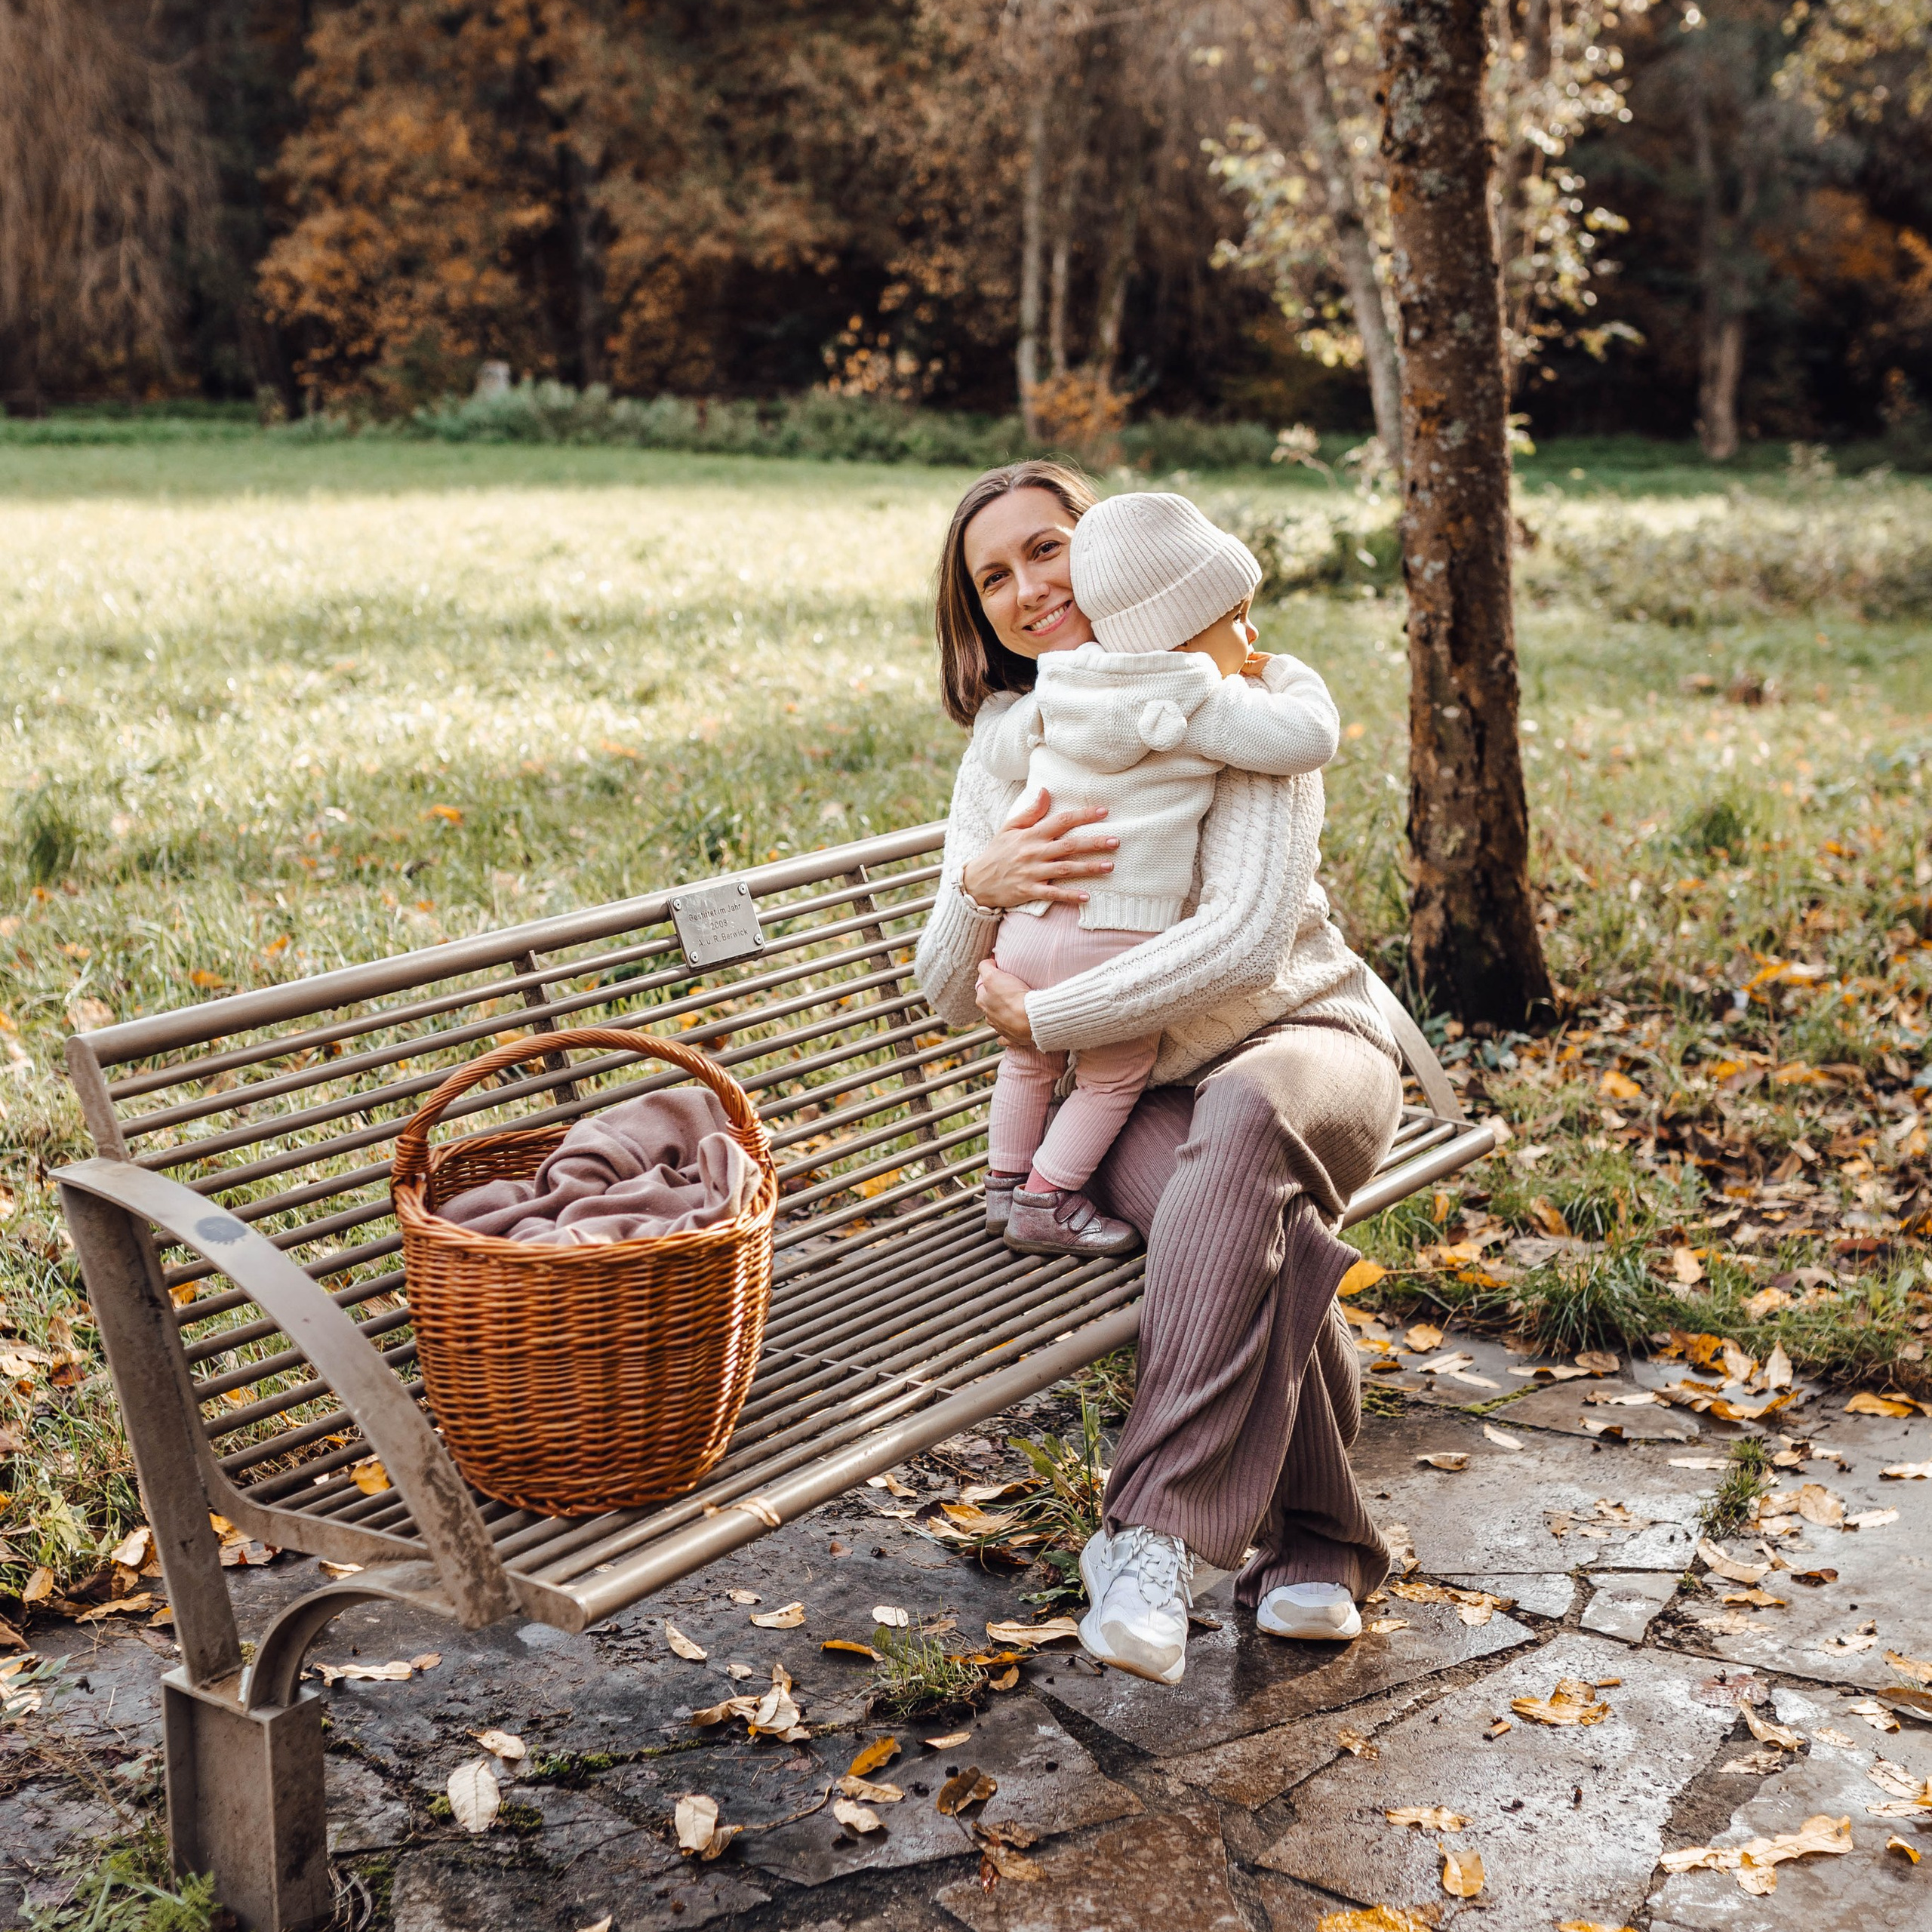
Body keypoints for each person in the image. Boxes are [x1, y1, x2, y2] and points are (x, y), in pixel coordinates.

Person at [913, 460, 1405, 1686]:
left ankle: (1151, 1531)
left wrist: (1052, 1012)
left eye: (1050, 548)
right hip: (1132, 1093)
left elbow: (1241, 938)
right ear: (978, 615)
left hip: (1308, 1045)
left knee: (1245, 1123)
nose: (1032, 586)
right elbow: (941, 988)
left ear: (1120, 554)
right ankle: (1324, 1544)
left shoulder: (1247, 693)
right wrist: (982, 888)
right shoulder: (1013, 738)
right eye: (994, 576)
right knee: (1244, 1221)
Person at [974, 492, 1342, 1262]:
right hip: (1113, 932)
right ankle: (1045, 1198)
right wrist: (1288, 674)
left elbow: (999, 752)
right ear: (1185, 623)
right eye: (1236, 619)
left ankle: (1003, 1182)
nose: (1249, 637)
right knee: (1114, 1074)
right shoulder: (1198, 700)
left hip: (1028, 926)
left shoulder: (1063, 681)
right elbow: (1308, 738)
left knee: (1025, 1059)